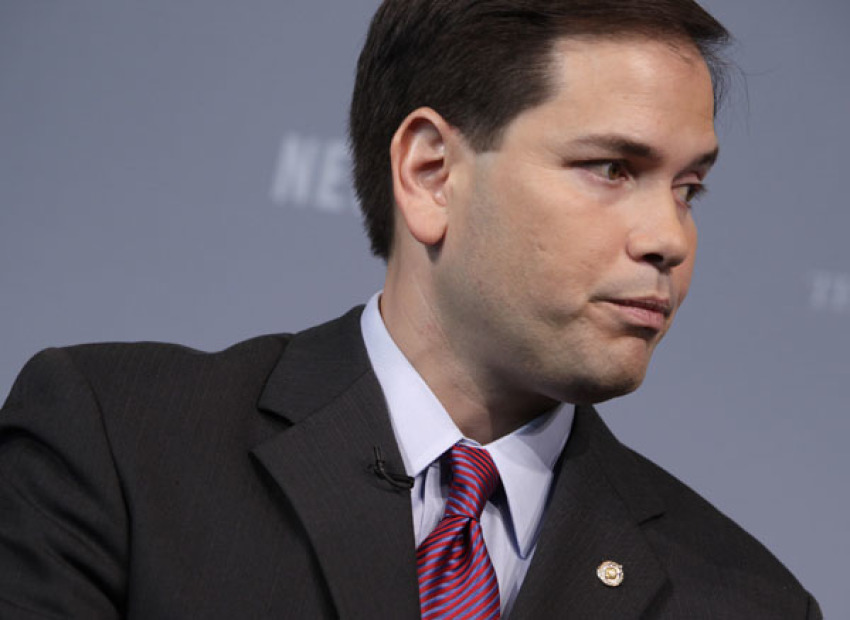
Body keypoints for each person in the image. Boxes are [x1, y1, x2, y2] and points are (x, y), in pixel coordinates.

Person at [0, 0, 821, 618]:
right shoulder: (118, 445)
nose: (670, 237)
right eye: (612, 167)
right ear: (432, 174)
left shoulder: (749, 599)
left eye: (690, 189)